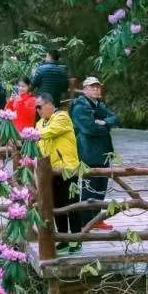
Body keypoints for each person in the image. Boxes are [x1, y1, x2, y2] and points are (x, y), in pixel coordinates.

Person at [70, 76, 120, 229]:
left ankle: (96, 219)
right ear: (84, 90)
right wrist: (105, 126)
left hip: (103, 152)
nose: (96, 89)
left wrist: (104, 122)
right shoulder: (80, 107)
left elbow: (116, 118)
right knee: (89, 188)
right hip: (88, 152)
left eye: (98, 87)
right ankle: (86, 221)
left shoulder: (98, 105)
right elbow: (89, 129)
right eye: (92, 87)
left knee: (101, 187)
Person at [36, 92, 82, 253]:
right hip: (51, 171)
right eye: (36, 107)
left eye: (39, 106)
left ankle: (76, 240)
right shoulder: (40, 123)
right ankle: (63, 238)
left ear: (49, 104)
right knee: (57, 205)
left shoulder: (62, 117)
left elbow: (50, 132)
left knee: (72, 204)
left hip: (67, 168)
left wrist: (29, 135)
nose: (38, 110)